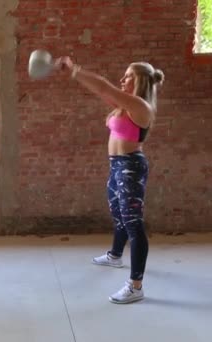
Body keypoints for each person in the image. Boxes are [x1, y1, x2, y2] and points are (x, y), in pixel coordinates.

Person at [54, 57, 164, 304]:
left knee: (133, 223)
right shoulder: (123, 107)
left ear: (141, 81)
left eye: (128, 76)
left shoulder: (140, 106)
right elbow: (102, 91)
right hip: (117, 166)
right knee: (118, 214)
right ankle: (116, 255)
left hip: (130, 167)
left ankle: (136, 286)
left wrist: (75, 69)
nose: (123, 79)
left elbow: (103, 87)